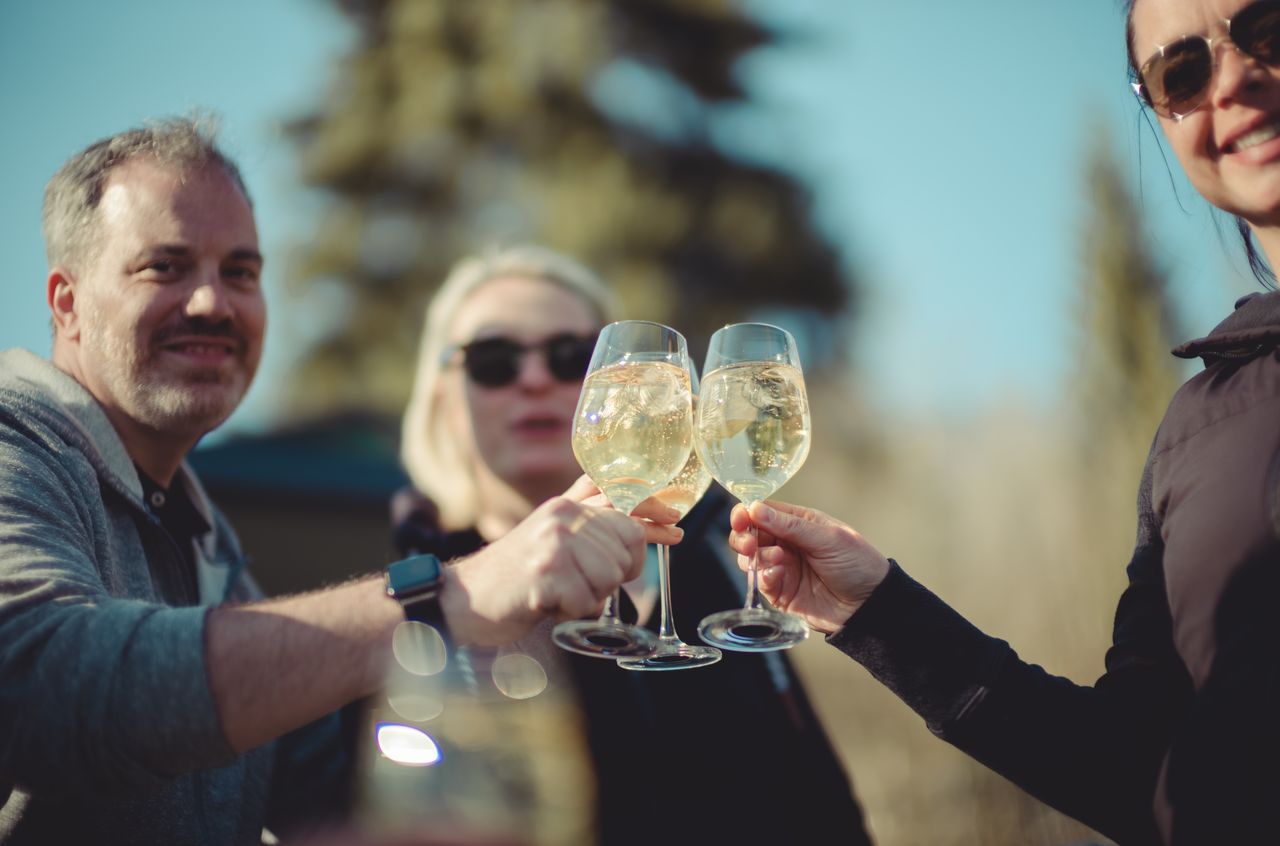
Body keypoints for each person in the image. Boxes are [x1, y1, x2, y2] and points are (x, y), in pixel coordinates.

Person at [0, 119, 679, 845]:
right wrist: (456, 599)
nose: (212, 303)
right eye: (165, 267)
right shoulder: (18, 441)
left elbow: (306, 800)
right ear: (65, 302)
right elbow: (33, 683)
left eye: (241, 272)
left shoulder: (209, 547)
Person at [725, 1, 1280, 844]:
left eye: (1266, 27)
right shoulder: (1195, 432)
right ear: (1160, 114)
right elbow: (1137, 768)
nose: (1234, 78)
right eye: (1183, 72)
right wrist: (876, 612)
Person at [394, 244, 873, 846]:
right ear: (442, 395)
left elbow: (821, 806)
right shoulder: (408, 602)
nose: (535, 379)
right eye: (494, 360)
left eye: (570, 357)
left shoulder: (718, 563)